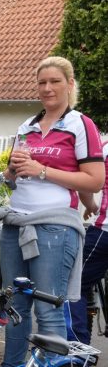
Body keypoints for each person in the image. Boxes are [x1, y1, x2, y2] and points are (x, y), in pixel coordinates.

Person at [0, 56, 104, 367]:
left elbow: (95, 179)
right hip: (16, 223)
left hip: (54, 227)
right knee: (16, 307)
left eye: (54, 81)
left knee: (47, 309)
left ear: (69, 85)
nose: (47, 88)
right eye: (41, 82)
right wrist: (12, 171)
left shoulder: (80, 125)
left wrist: (42, 170)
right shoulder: (26, 126)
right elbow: (14, 178)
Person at [69, 142, 108, 344]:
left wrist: (91, 205)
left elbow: (85, 183)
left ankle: (77, 351)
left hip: (105, 230)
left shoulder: (104, 148)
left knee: (74, 284)